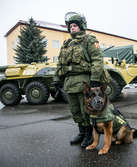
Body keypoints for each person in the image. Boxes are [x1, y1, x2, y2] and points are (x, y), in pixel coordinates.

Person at [52, 12, 104, 148]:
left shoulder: (89, 40)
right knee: (75, 110)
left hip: (84, 83)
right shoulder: (67, 43)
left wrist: (94, 80)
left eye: (75, 25)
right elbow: (60, 63)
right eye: (70, 26)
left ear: (81, 26)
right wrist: (56, 78)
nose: (72, 28)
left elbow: (98, 60)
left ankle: (89, 135)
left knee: (85, 110)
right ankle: (81, 133)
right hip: (69, 84)